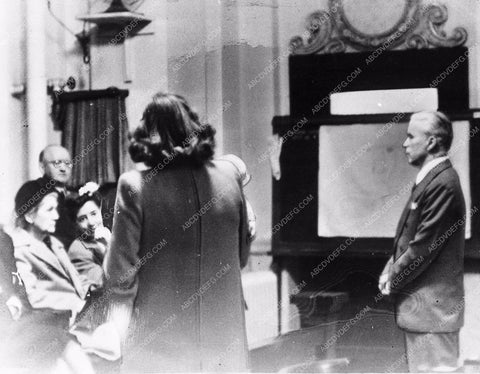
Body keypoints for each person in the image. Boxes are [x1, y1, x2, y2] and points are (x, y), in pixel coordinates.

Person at [104, 92, 251, 372]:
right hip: (224, 337)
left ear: (146, 137)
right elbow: (242, 256)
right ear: (195, 127)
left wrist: (116, 332)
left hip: (160, 343)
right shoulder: (229, 177)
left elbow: (120, 275)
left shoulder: (134, 185)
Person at [379, 111, 465, 372]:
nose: (404, 143)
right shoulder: (431, 180)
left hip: (432, 316)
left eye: (410, 136)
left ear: (430, 143)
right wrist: (390, 267)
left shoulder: (442, 183)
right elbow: (411, 240)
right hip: (424, 313)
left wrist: (392, 277)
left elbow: (422, 247)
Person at [5, 179, 94, 373]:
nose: (56, 216)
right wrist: (76, 306)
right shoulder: (19, 248)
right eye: (49, 210)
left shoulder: (53, 242)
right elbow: (32, 298)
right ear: (29, 215)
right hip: (57, 325)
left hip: (78, 319)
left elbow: (72, 283)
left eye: (56, 209)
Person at [67, 182, 110, 290]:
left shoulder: (108, 236)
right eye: (82, 219)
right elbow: (109, 284)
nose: (90, 222)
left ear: (100, 211)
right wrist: (110, 247)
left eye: (94, 214)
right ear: (74, 223)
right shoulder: (77, 250)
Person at [39, 144, 77, 249]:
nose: (63, 169)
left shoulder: (76, 193)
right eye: (57, 163)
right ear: (42, 167)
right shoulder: (36, 192)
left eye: (68, 163)